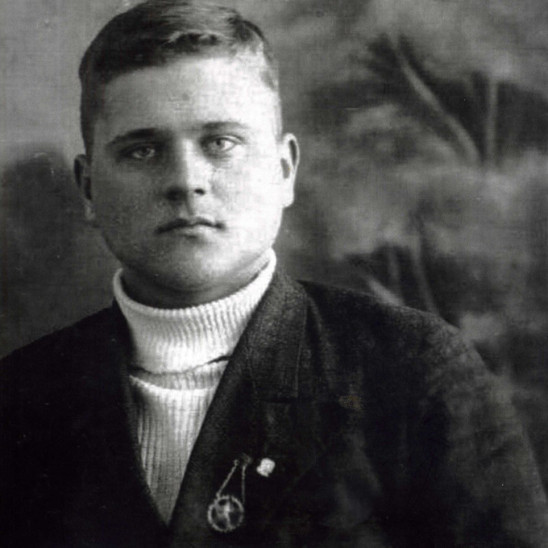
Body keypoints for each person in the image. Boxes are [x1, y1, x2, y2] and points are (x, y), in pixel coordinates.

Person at [1, 1, 547, 546]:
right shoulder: (20, 397)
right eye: (142, 151)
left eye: (221, 143)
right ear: (88, 188)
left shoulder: (412, 372)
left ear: (284, 171)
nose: (186, 181)